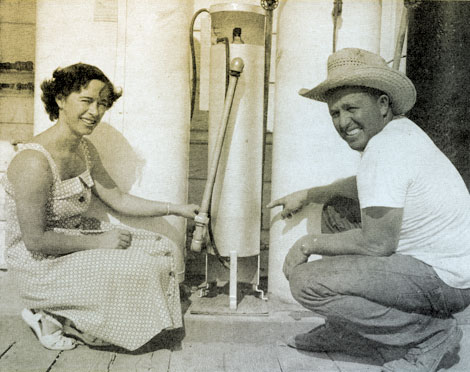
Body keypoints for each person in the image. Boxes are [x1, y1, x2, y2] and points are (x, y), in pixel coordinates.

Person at [267, 48, 470, 372]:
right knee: (336, 211)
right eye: (335, 113)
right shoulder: (399, 133)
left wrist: (306, 244)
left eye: (351, 108)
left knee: (306, 282)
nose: (343, 122)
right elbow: (364, 185)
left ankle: (431, 335)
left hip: (443, 281)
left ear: (383, 104)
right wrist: (311, 193)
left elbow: (378, 244)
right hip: (450, 270)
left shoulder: (385, 148)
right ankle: (348, 330)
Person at [1, 63, 199, 351]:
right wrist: (101, 241)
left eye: (102, 104)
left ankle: (75, 317)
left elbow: (117, 198)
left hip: (74, 241)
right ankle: (46, 313)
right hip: (40, 263)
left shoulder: (84, 149)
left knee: (160, 248)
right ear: (60, 100)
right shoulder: (33, 162)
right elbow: (35, 240)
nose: (95, 112)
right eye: (86, 101)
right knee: (139, 266)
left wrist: (176, 208)